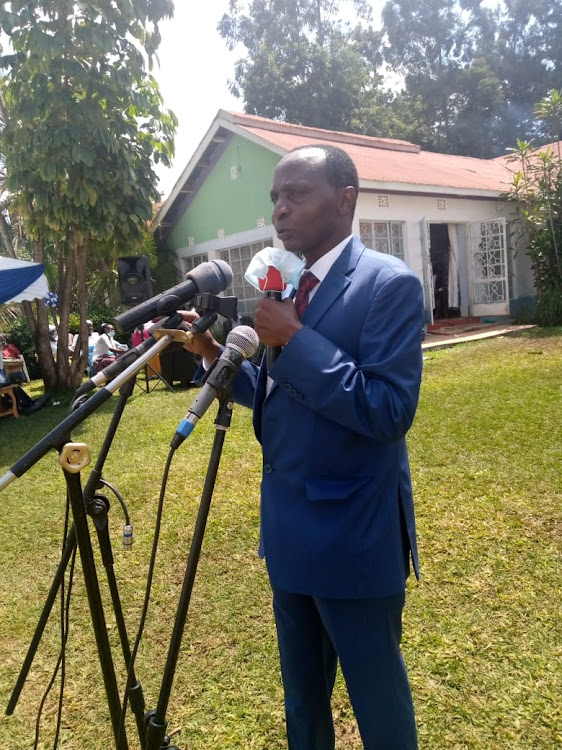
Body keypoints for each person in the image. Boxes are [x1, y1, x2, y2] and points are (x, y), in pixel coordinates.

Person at [181, 145, 424, 749]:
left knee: (378, 705)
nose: (280, 212)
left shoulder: (387, 284)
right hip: (288, 531)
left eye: (297, 195)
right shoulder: (286, 286)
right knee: (302, 703)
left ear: (345, 200)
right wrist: (217, 358)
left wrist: (296, 337)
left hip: (353, 534)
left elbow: (388, 409)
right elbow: (286, 393)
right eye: (274, 199)